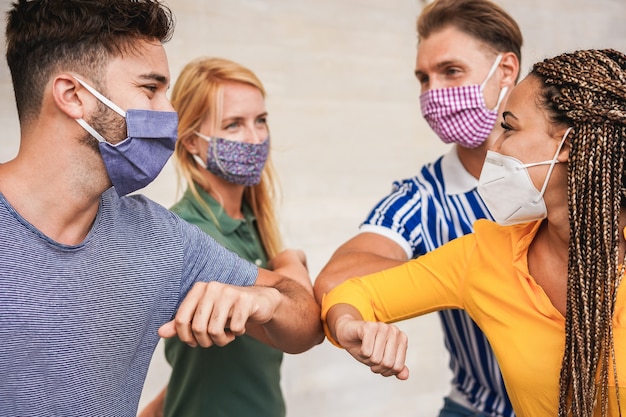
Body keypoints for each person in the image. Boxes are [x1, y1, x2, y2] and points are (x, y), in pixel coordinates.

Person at [0, 1, 323, 416]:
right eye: (150, 89)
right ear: (73, 96)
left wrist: (268, 302)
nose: (170, 113)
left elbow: (305, 322)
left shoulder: (161, 239)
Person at [321, 48, 626, 416]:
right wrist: (351, 325)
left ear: (570, 145)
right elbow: (352, 292)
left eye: (509, 128)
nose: (494, 147)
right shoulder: (486, 255)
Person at [314, 0, 521, 415]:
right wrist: (466, 271)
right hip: (479, 407)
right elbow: (336, 278)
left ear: (506, 71)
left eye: (451, 71)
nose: (434, 94)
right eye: (423, 79)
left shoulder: (572, 167)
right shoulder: (423, 197)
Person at [138, 57, 291, 417]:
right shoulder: (192, 234)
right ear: (191, 141)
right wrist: (289, 262)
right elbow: (302, 325)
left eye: (261, 120)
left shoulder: (251, 221)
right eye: (233, 125)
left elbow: (208, 367)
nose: (255, 138)